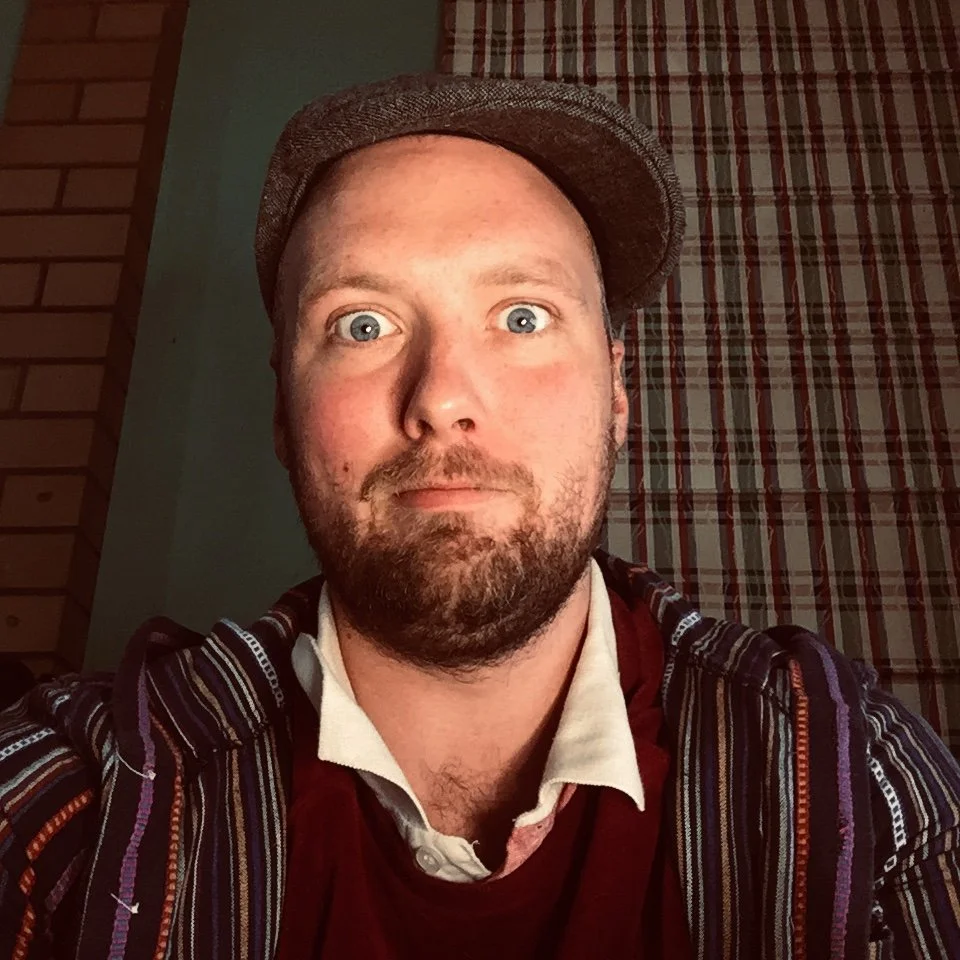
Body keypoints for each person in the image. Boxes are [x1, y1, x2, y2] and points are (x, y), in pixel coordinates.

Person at [0, 72, 957, 960]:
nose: (443, 397)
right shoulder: (74, 805)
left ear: (618, 393)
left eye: (524, 316)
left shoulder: (856, 785)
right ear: (284, 413)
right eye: (363, 324)